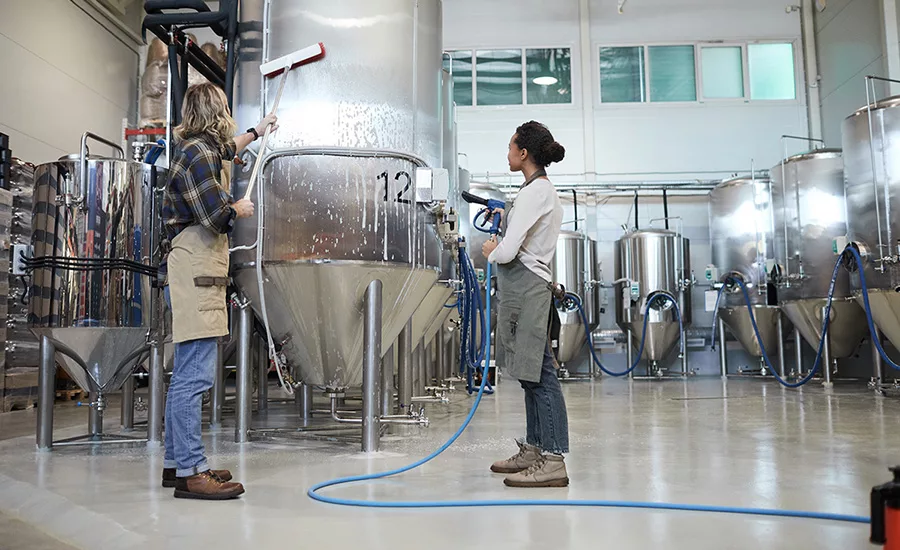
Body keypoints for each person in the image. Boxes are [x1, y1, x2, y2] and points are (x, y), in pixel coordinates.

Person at [161, 82, 276, 500]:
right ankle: (193, 472)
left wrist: (258, 131)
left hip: (193, 267)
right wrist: (237, 208)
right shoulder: (198, 154)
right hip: (196, 266)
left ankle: (177, 465)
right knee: (193, 377)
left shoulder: (201, 149)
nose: (229, 113)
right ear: (215, 112)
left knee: (187, 374)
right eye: (225, 107)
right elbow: (214, 216)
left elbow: (227, 149)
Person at [482, 121, 568, 488]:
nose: (507, 153)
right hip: (524, 287)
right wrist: (506, 220)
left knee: (542, 374)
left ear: (524, 153)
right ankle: (535, 449)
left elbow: (509, 251)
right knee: (530, 375)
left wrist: (491, 250)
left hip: (529, 287)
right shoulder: (532, 191)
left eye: (510, 146)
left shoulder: (537, 193)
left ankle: (553, 459)